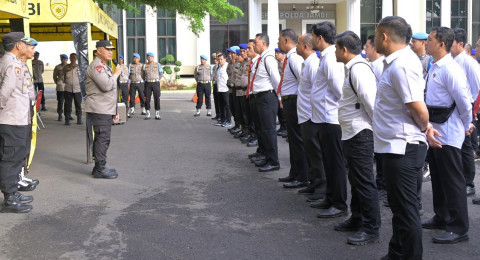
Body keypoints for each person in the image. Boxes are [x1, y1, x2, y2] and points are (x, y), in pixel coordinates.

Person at [373, 16, 429, 259]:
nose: (374, 40)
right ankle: (397, 253)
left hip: (403, 147)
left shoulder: (402, 64)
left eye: (375, 35)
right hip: (393, 145)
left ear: (384, 36)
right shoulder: (395, 62)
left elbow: (418, 108)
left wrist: (425, 128)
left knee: (406, 211)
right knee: (399, 208)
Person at [421, 26, 472, 244]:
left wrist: (467, 125)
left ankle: (459, 227)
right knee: (439, 179)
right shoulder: (435, 66)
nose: (426, 43)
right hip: (435, 129)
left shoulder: (451, 69)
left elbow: (463, 101)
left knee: (452, 181)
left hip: (449, 132)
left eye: (430, 39)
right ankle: (442, 216)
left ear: (442, 44)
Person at [334, 30, 380, 245]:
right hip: (352, 132)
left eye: (336, 48)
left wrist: (376, 131)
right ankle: (358, 218)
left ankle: (371, 228)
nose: (335, 51)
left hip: (360, 132)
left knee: (364, 181)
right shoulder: (352, 68)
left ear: (344, 49)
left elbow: (371, 104)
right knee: (356, 178)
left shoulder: (359, 70)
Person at [309, 21, 348, 218]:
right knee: (328, 161)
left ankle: (339, 203)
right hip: (323, 118)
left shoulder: (331, 58)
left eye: (313, 36)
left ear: (320, 38)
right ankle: (331, 197)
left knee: (335, 163)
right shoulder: (326, 57)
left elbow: (338, 88)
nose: (311, 39)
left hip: (331, 118)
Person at [0, 32, 37, 213]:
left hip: (16, 118)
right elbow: (5, 92)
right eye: (23, 43)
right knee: (11, 159)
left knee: (15, 157)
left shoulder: (11, 62)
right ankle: (9, 199)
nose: (25, 45)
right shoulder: (12, 64)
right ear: (17, 46)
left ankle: (12, 192)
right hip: (12, 119)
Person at [296, 33, 327, 202]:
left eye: (299, 44)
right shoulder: (307, 63)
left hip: (311, 116)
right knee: (310, 153)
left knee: (316, 154)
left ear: (306, 47)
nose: (296, 47)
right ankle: (314, 182)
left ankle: (322, 187)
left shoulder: (314, 64)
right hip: (306, 115)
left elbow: (319, 91)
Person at [276, 29, 309, 189]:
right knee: (293, 140)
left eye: (279, 40)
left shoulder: (294, 58)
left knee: (297, 140)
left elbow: (302, 81)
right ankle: (295, 173)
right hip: (289, 101)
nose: (278, 43)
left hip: (295, 101)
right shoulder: (290, 57)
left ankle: (302, 176)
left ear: (287, 40)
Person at [85, 40, 121, 179]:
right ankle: (100, 168)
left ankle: (99, 166)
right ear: (98, 51)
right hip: (99, 109)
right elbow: (106, 85)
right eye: (107, 49)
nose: (110, 52)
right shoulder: (97, 66)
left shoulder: (104, 66)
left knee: (103, 138)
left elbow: (111, 91)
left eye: (111, 49)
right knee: (102, 138)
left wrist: (114, 110)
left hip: (105, 108)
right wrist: (116, 74)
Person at [450, 28, 480, 197]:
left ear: (460, 44)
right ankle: (460, 180)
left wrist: (473, 112)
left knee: (466, 146)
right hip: (455, 108)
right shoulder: (453, 60)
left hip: (467, 107)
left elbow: (476, 89)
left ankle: (469, 183)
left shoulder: (468, 63)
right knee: (458, 144)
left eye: (451, 43)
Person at [251, 33, 280, 172]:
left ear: (263, 43)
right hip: (260, 98)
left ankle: (273, 161)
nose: (255, 45)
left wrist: (280, 98)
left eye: (256, 42)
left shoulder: (269, 58)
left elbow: (276, 80)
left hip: (267, 98)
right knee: (263, 129)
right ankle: (267, 157)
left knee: (269, 130)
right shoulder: (261, 59)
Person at [364, 34, 387, 202]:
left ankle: (383, 186)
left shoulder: (379, 66)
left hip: (380, 114)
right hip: (378, 114)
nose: (365, 49)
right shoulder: (373, 65)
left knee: (382, 155)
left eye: (367, 46)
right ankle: (381, 184)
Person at [62, 53, 82, 125]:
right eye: (71, 58)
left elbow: (82, 78)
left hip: (77, 89)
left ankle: (79, 118)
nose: (73, 59)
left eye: (74, 57)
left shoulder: (79, 67)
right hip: (68, 89)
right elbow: (63, 77)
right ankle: (67, 119)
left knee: (78, 104)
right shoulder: (66, 67)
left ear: (76, 58)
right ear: (69, 58)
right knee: (67, 105)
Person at [143, 52, 163, 120]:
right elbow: (142, 74)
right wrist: (146, 79)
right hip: (147, 83)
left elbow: (161, 73)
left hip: (155, 83)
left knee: (157, 98)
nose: (149, 58)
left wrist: (157, 79)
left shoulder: (157, 65)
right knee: (147, 99)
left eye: (151, 57)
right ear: (147, 58)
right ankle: (148, 114)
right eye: (148, 57)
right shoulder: (145, 65)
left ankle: (157, 114)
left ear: (153, 58)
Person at [274, 47, 288, 138]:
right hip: (279, 89)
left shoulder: (285, 63)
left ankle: (286, 128)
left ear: (283, 54)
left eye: (278, 53)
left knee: (283, 110)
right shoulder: (278, 63)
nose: (276, 55)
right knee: (279, 110)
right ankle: (282, 127)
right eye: (275, 53)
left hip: (284, 89)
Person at [215, 53, 231, 127]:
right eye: (218, 60)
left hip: (226, 89)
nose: (220, 61)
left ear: (225, 59)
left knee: (227, 106)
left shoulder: (227, 66)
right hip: (220, 89)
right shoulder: (219, 67)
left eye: (221, 59)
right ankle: (222, 119)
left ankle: (229, 120)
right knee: (221, 105)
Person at [53, 54, 68, 121]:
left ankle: (68, 115)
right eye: (62, 59)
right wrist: (58, 83)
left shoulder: (69, 67)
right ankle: (60, 115)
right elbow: (54, 76)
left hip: (68, 87)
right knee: (60, 101)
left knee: (68, 102)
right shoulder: (57, 67)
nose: (63, 60)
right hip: (60, 87)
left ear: (67, 60)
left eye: (64, 59)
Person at [211, 53, 221, 121]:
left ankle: (221, 115)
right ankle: (217, 114)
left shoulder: (221, 66)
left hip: (219, 85)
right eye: (214, 58)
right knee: (216, 101)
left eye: (216, 58)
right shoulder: (215, 67)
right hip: (215, 84)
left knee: (220, 102)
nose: (215, 60)